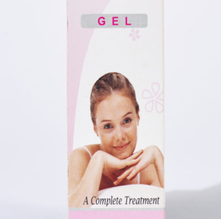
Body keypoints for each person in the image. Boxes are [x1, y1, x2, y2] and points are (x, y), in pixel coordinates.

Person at [68, 72, 164, 208]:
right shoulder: (82, 158)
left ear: (138, 116)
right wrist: (99, 159)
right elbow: (74, 213)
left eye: (126, 120)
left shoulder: (145, 169)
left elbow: (164, 214)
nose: (119, 136)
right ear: (95, 128)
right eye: (108, 126)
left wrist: (158, 156)